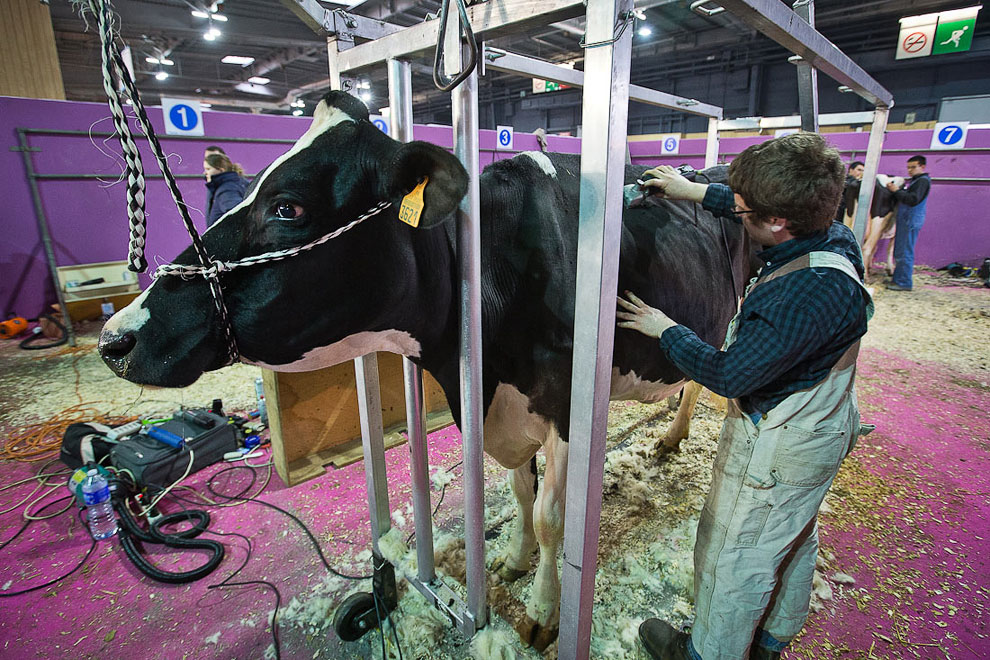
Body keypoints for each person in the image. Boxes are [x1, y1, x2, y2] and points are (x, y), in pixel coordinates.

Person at [617, 132, 873, 660]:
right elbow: (749, 210)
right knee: (792, 535)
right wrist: (690, 191)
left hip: (781, 444)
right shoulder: (831, 238)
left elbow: (731, 375)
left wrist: (667, 328)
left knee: (735, 554)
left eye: (742, 207)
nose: (735, 211)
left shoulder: (801, 294)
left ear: (777, 221)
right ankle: (774, 635)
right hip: (822, 424)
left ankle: (709, 653)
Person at [885, 155, 931, 291]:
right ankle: (898, 279)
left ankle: (903, 282)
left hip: (910, 220)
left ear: (922, 167)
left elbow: (913, 199)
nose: (909, 170)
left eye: (913, 167)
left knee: (904, 252)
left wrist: (896, 191)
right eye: (908, 167)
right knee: (901, 251)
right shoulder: (916, 181)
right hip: (907, 219)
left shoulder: (922, 181)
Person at [204, 152, 247, 226]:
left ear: (221, 170)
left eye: (208, 169)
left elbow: (237, 213)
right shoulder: (239, 182)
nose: (205, 172)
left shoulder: (226, 190)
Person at [836, 161, 865, 225]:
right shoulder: (843, 180)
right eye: (859, 170)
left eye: (863, 171)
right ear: (851, 170)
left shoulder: (859, 184)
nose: (861, 173)